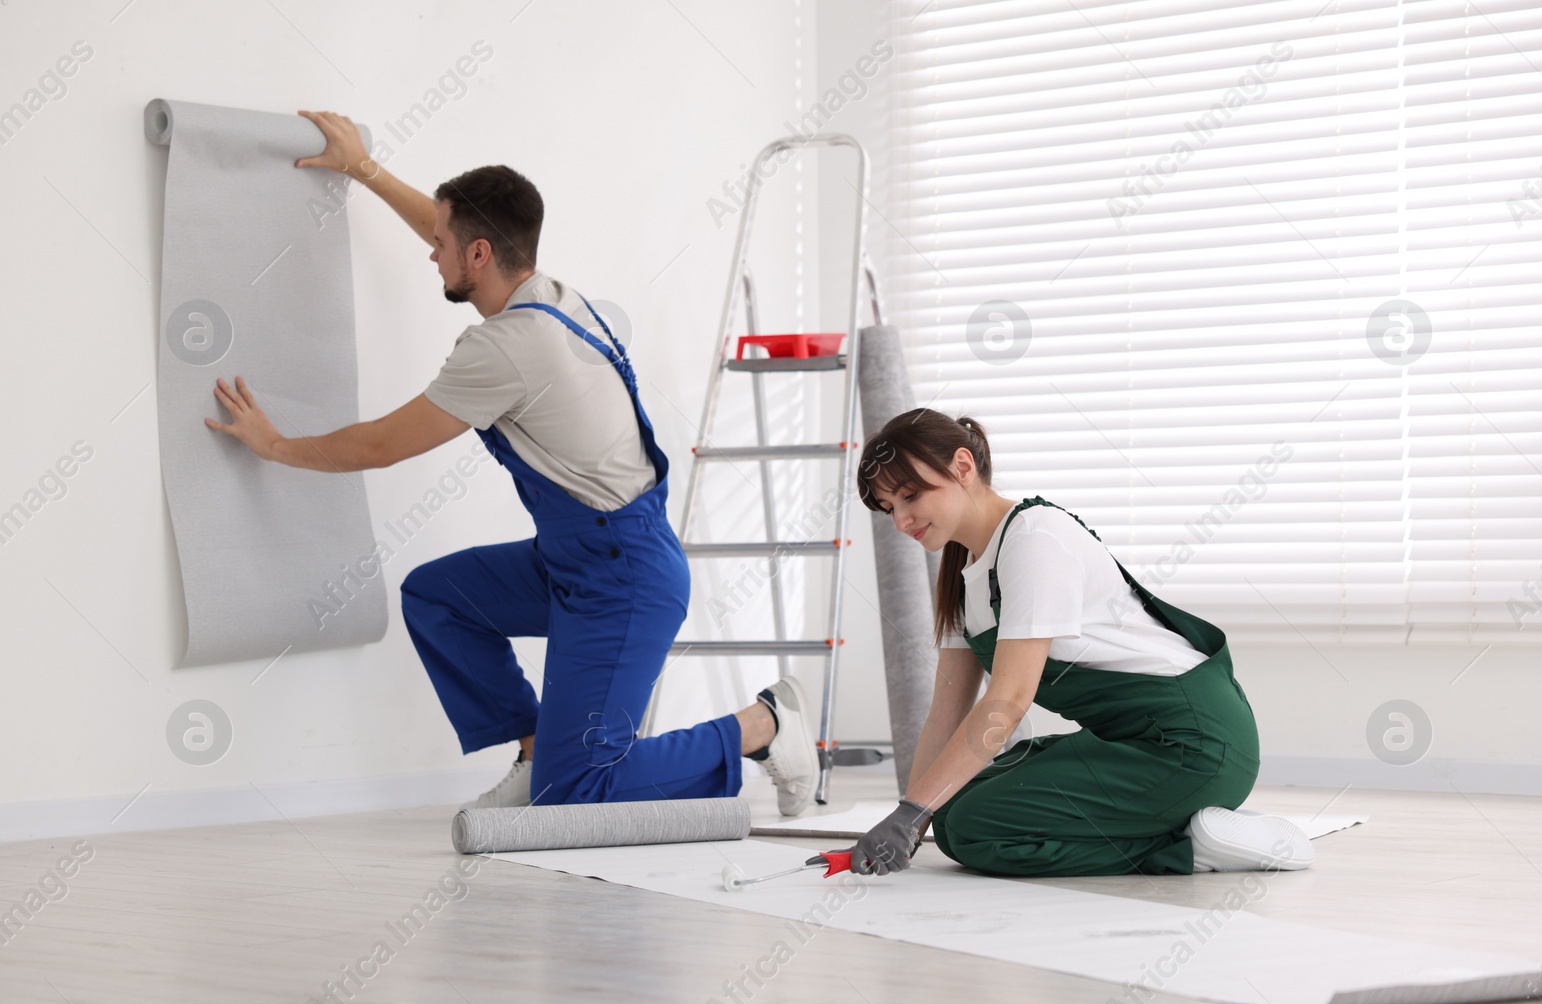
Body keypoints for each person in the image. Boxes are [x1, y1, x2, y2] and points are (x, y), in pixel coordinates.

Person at [203, 109, 818, 815]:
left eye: (440, 244)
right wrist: (364, 169)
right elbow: (459, 233)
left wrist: (274, 445)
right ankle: (534, 754)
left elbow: (379, 445)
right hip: (577, 558)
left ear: (479, 256)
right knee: (437, 597)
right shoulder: (561, 298)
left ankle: (762, 726)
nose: (430, 253)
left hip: (624, 577)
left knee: (579, 788)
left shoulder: (504, 350)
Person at [847, 409, 1315, 877]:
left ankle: (1192, 846)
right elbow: (945, 713)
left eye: (911, 495)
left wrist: (910, 813)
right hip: (1127, 742)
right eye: (889, 508)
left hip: (1193, 744)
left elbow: (1007, 703)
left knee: (974, 828)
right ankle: (1180, 823)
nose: (902, 520)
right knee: (950, 811)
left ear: (963, 468)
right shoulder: (961, 573)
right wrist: (912, 816)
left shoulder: (1034, 537)